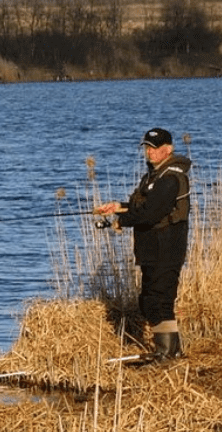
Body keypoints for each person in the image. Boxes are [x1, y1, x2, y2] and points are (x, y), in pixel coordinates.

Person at [94, 127, 192, 361]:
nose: (150, 152)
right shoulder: (153, 176)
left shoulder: (170, 178)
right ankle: (169, 351)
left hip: (167, 246)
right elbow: (141, 206)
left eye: (155, 148)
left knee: (160, 299)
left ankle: (167, 353)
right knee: (149, 300)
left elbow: (150, 213)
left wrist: (121, 221)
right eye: (147, 148)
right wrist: (117, 206)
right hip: (151, 248)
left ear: (168, 149)